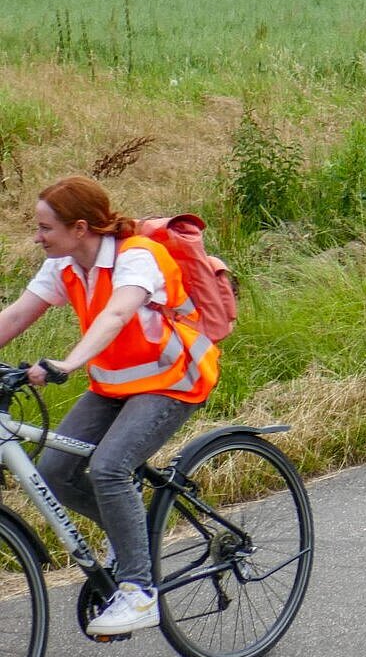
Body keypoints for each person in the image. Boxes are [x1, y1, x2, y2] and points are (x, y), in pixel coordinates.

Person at [0, 176, 220, 634]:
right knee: (55, 471)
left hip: (172, 378)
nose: (37, 237)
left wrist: (71, 361)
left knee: (109, 468)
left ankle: (139, 593)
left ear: (80, 228)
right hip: (115, 384)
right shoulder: (64, 265)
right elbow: (18, 314)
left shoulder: (138, 255)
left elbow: (118, 313)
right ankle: (132, 538)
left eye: (45, 228)